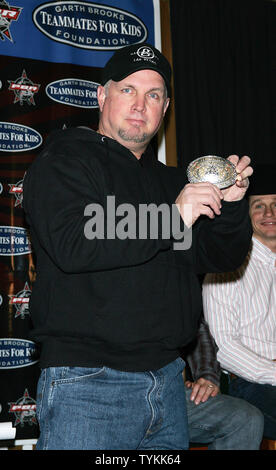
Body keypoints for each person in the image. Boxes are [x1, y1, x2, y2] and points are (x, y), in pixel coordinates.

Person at [23, 42, 253, 450]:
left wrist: (232, 208)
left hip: (167, 382)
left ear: (165, 108)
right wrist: (171, 217)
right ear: (101, 95)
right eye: (128, 89)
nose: (139, 104)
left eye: (153, 95)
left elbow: (221, 257)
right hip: (88, 384)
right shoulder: (64, 162)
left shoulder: (172, 182)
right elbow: (74, 242)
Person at [203, 163, 276, 440]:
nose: (269, 213)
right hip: (248, 383)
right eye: (259, 206)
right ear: (246, 212)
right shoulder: (226, 263)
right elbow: (223, 348)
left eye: (275, 205)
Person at [184, 317, 264, 450]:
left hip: (170, 390)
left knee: (246, 418)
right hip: (139, 391)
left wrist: (206, 378)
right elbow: (227, 347)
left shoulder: (178, 298)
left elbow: (196, 327)